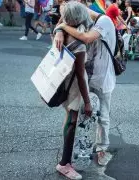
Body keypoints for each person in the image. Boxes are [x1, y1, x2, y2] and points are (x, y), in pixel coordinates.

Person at [54, 4, 116, 167]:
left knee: (102, 116)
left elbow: (87, 38)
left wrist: (62, 26)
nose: (75, 24)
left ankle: (102, 149)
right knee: (80, 116)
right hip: (87, 78)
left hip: (102, 78)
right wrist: (59, 31)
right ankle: (74, 150)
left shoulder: (105, 21)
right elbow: (65, 19)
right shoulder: (80, 16)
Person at [54, 2, 92, 180]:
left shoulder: (65, 30)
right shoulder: (79, 44)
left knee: (68, 118)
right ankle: (64, 164)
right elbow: (80, 74)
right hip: (73, 87)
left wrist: (59, 29)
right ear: (79, 18)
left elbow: (61, 21)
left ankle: (66, 160)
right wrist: (88, 101)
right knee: (72, 121)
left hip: (62, 82)